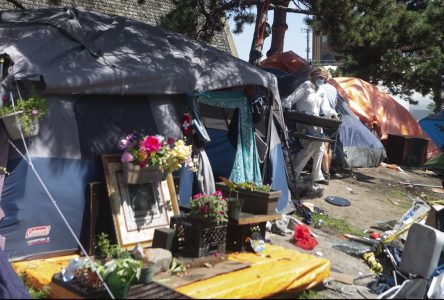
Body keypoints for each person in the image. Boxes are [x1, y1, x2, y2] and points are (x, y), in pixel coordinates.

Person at [282, 67, 338, 189]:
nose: (321, 80)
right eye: (319, 77)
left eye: (323, 78)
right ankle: (294, 172)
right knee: (309, 146)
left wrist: (333, 114)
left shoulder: (322, 90)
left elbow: (326, 107)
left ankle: (316, 176)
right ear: (312, 76)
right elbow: (292, 98)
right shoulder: (306, 86)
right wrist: (286, 107)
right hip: (304, 121)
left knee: (320, 149)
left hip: (317, 122)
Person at [320, 70, 339, 184]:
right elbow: (335, 104)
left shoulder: (320, 88)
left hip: (323, 118)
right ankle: (327, 171)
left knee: (322, 146)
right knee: (329, 147)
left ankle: (325, 173)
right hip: (333, 118)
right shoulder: (333, 89)